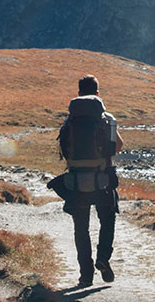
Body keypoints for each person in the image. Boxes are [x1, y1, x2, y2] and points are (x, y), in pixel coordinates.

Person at [58, 74, 125, 287]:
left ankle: (85, 275)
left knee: (81, 228)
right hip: (102, 178)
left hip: (77, 181)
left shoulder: (70, 121)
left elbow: (64, 150)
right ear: (98, 93)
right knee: (108, 219)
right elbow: (118, 146)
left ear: (78, 93)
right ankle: (103, 257)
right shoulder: (106, 119)